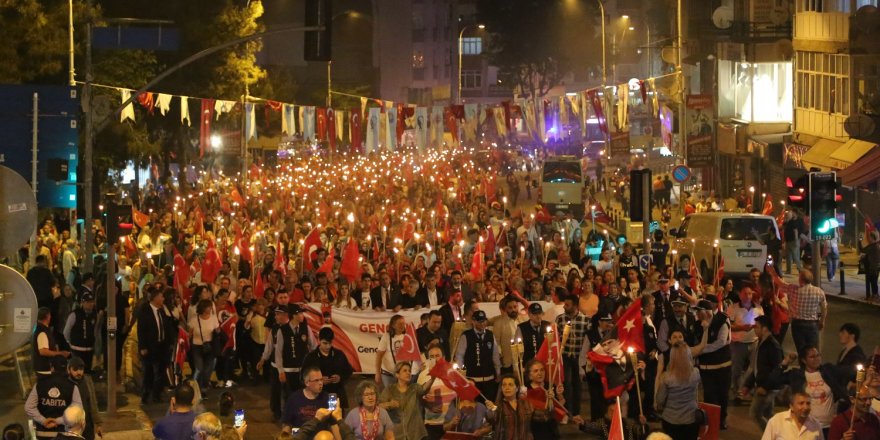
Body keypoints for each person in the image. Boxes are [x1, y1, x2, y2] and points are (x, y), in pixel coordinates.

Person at [782, 345, 849, 435]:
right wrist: (786, 362)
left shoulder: (828, 371)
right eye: (812, 357)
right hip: (807, 426)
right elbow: (772, 380)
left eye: (818, 355)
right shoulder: (797, 375)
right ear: (804, 360)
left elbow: (848, 372)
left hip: (828, 427)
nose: (817, 358)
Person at [740, 315, 784, 431]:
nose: (755, 329)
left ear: (765, 329)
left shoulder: (773, 346)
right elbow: (757, 367)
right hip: (764, 385)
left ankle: (772, 436)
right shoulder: (761, 343)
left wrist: (765, 387)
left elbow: (778, 369)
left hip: (767, 387)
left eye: (757, 327)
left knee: (755, 413)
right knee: (768, 414)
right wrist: (748, 385)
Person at [694, 297, 732, 430]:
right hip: (706, 368)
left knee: (723, 395)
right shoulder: (698, 324)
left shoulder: (722, 320)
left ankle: (722, 419)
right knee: (709, 396)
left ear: (707, 312)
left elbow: (721, 342)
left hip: (722, 366)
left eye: (699, 312)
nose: (697, 315)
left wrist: (701, 350)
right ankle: (712, 422)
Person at [25, 356, 83, 440]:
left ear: (51, 367)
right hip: (64, 434)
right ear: (67, 368)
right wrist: (58, 421)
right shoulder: (72, 386)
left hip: (42, 433)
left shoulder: (40, 384)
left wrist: (43, 421)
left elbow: (29, 407)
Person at [655, 342, 701, 440]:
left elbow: (659, 400)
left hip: (671, 420)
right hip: (691, 418)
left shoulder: (666, 377)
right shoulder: (696, 373)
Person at [555, 294, 591, 417]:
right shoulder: (560, 319)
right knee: (567, 384)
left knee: (578, 385)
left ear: (575, 306)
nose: (565, 307)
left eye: (567, 305)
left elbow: (588, 340)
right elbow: (556, 337)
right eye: (565, 304)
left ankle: (576, 412)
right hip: (565, 357)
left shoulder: (586, 320)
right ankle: (566, 411)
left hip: (579, 356)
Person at [454, 310, 501, 402]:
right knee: (474, 407)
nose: (483, 323)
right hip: (473, 380)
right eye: (479, 321)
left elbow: (495, 355)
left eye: (484, 321)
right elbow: (459, 356)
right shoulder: (466, 336)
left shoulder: (490, 335)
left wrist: (498, 372)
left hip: (489, 379)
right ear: (473, 321)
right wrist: (462, 375)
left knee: (490, 406)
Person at [301, 327, 354, 409]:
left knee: (335, 417)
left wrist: (340, 377)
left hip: (336, 394)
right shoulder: (311, 357)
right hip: (317, 396)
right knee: (320, 418)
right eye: (325, 343)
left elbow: (348, 371)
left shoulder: (339, 355)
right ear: (319, 340)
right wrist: (319, 380)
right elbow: (303, 377)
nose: (328, 346)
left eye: (330, 343)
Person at [379, 361, 433, 440]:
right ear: (397, 374)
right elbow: (378, 406)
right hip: (397, 434)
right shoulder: (389, 389)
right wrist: (389, 404)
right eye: (405, 370)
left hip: (415, 434)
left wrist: (433, 377)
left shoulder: (414, 388)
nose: (408, 373)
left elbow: (424, 388)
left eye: (409, 371)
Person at [729, 283, 763, 401]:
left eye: (750, 293)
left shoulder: (758, 308)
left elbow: (762, 325)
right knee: (737, 369)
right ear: (740, 294)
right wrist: (742, 328)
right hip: (738, 343)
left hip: (754, 342)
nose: (748, 296)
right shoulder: (733, 308)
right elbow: (729, 326)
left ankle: (749, 390)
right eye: (745, 293)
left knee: (755, 368)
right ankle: (736, 392)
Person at [137, 287, 172, 404]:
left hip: (162, 345)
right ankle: (146, 394)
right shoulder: (145, 311)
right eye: (161, 297)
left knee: (161, 371)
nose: (163, 299)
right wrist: (143, 347)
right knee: (149, 372)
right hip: (149, 346)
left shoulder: (161, 310)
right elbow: (141, 330)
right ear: (155, 298)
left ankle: (157, 394)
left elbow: (166, 326)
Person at [419, 343, 456, 440]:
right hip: (432, 423)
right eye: (431, 356)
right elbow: (418, 398)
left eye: (437, 356)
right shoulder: (423, 375)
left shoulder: (453, 373)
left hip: (451, 422)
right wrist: (429, 405)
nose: (435, 359)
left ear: (443, 357)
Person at [788, 269, 827, 357]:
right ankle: (812, 368)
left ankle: (803, 368)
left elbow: (779, 282)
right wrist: (822, 321)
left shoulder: (793, 289)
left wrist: (771, 270)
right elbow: (824, 308)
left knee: (801, 350)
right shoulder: (819, 291)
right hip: (812, 324)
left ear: (801, 279)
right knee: (812, 350)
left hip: (797, 324)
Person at [282, 365, 330, 433]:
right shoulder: (294, 399)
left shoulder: (326, 398)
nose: (320, 383)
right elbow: (286, 424)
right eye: (316, 380)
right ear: (307, 382)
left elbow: (333, 424)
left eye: (321, 379)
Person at [489, 295, 527, 375]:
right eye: (510, 308)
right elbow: (496, 343)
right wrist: (500, 357)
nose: (513, 309)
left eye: (515, 307)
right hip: (508, 362)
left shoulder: (524, 320)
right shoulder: (499, 323)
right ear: (505, 309)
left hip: (523, 361)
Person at [487, 374, 532, 440]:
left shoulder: (526, 404)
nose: (507, 388)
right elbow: (491, 420)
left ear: (517, 388)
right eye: (504, 385)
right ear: (501, 388)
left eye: (510, 385)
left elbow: (542, 417)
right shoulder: (497, 406)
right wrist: (491, 409)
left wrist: (549, 400)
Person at [65, 357, 101, 440]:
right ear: (69, 370)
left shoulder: (87, 381)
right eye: (75, 369)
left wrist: (98, 423)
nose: (79, 372)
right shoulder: (66, 384)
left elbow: (93, 403)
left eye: (81, 369)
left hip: (87, 425)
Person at [189, 299, 220, 392]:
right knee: (199, 368)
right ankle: (194, 387)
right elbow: (189, 334)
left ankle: (203, 387)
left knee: (208, 369)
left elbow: (217, 329)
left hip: (210, 346)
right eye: (208, 307)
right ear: (202, 308)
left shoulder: (214, 318)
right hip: (197, 346)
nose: (210, 308)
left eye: (210, 306)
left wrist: (217, 332)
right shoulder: (194, 319)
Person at [62, 293, 98, 374]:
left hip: (89, 348)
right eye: (88, 302)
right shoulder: (75, 314)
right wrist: (70, 342)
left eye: (92, 302)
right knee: (77, 371)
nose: (90, 304)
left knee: (87, 371)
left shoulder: (94, 314)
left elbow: (95, 330)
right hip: (76, 349)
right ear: (82, 303)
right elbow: (66, 331)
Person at [33, 307, 69, 377]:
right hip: (44, 369)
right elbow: (43, 351)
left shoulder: (41, 329)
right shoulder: (42, 332)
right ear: (48, 316)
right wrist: (60, 353)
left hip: (44, 368)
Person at [375, 315, 407, 387]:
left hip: (403, 374)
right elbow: (379, 356)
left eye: (403, 323)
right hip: (388, 374)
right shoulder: (386, 336)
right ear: (393, 325)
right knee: (390, 395)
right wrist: (377, 373)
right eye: (399, 324)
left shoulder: (407, 336)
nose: (402, 326)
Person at [837, 323, 867, 387]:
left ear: (852, 336)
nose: (840, 335)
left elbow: (857, 374)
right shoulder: (844, 351)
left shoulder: (857, 353)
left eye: (843, 333)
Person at [858, 230, 880, 301]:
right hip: (874, 267)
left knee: (873, 282)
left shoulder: (873, 246)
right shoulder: (874, 245)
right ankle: (874, 295)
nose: (868, 239)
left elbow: (862, 250)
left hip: (873, 267)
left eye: (870, 237)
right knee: (873, 282)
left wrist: (859, 240)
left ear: (873, 238)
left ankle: (875, 295)